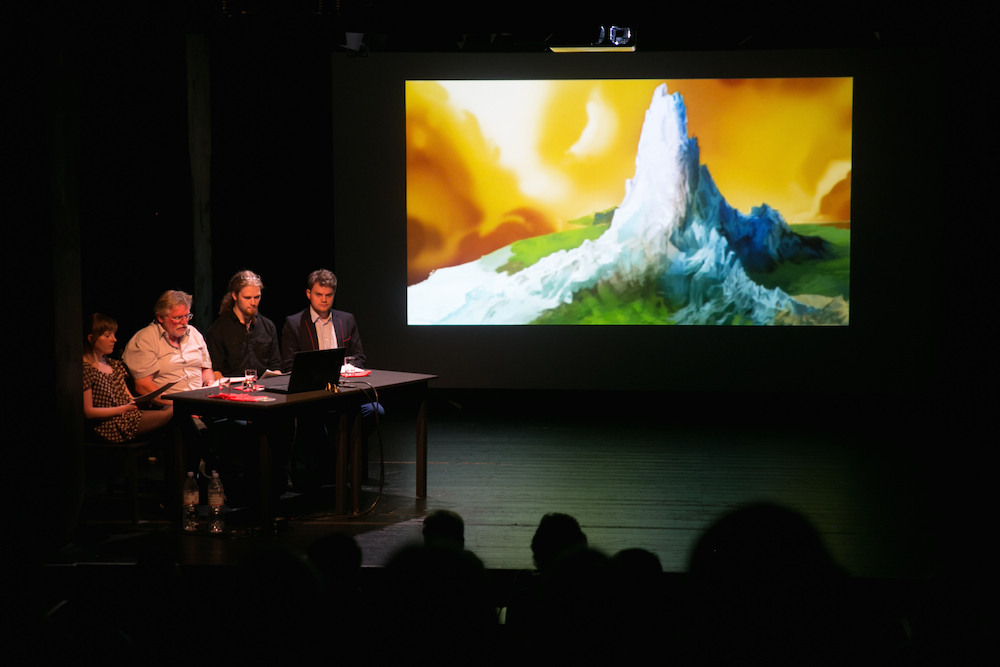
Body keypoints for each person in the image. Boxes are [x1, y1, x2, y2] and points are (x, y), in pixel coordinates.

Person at [83, 313, 173, 442]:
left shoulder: (114, 366)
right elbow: (88, 412)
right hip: (110, 425)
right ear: (91, 338)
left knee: (174, 411)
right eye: (107, 336)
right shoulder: (86, 369)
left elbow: (128, 398)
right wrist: (123, 409)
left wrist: (139, 401)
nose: (114, 340)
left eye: (114, 335)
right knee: (177, 411)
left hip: (128, 417)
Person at [122, 290, 215, 405]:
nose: (184, 322)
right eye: (177, 318)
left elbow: (205, 369)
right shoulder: (145, 339)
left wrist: (208, 381)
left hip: (201, 401)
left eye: (187, 316)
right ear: (161, 318)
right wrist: (177, 405)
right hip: (168, 406)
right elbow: (143, 385)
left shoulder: (194, 334)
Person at [280, 269, 366, 373]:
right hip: (311, 381)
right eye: (318, 294)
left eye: (328, 295)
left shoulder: (347, 320)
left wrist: (344, 369)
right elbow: (289, 364)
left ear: (334, 294)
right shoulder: (294, 324)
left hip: (344, 380)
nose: (324, 300)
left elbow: (359, 357)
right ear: (308, 294)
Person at [206, 270, 281, 380]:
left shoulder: (268, 327)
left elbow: (275, 367)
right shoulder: (218, 330)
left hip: (264, 388)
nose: (253, 303)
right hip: (232, 388)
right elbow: (216, 371)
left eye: (257, 297)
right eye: (247, 298)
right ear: (234, 295)